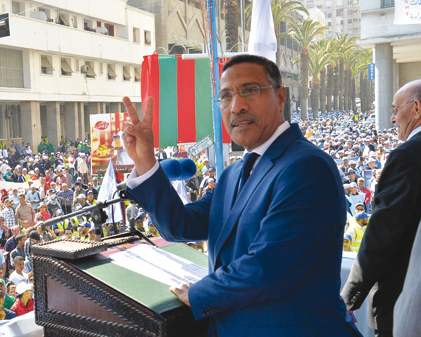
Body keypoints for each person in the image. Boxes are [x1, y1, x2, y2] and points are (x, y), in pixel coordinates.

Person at [120, 54, 358, 336]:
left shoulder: (306, 167)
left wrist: (199, 293)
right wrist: (146, 161)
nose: (237, 106)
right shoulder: (234, 174)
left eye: (250, 90)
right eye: (226, 96)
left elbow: (267, 270)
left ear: (280, 97)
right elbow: (180, 225)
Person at [342, 79, 421, 336]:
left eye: (396, 109)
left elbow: (382, 234)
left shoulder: (408, 157)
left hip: (405, 305)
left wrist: (348, 298)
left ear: (417, 108)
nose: (393, 117)